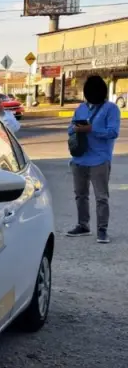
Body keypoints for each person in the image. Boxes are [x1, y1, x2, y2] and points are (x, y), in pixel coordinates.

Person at [66, 75, 121, 243]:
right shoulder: (81, 108)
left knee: (101, 197)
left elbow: (113, 132)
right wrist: (76, 128)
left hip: (100, 159)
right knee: (80, 195)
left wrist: (91, 130)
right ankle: (83, 225)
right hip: (79, 159)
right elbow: (70, 129)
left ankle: (102, 230)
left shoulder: (111, 109)